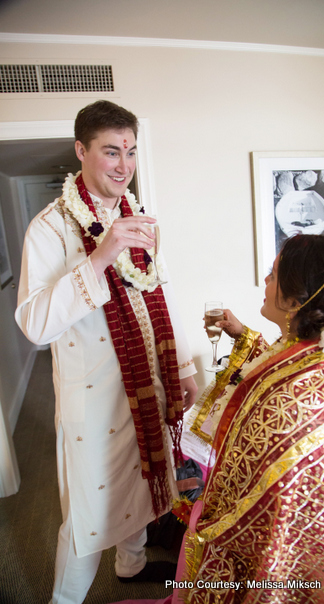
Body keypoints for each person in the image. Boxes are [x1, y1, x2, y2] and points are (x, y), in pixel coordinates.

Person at [114, 234, 324, 604]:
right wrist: (243, 335)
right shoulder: (313, 350)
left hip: (289, 541)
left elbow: (260, 474)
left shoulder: (304, 387)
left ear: (296, 301)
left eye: (273, 274)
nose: (265, 281)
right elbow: (276, 363)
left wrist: (211, 516)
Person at [15, 100, 198, 604]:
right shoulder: (48, 228)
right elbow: (33, 325)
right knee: (90, 509)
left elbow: (164, 292)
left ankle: (131, 563)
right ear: (81, 150)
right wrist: (101, 255)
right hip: (92, 396)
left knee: (145, 483)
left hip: (146, 383)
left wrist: (180, 368)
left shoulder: (136, 214)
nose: (125, 166)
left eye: (132, 152)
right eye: (112, 152)